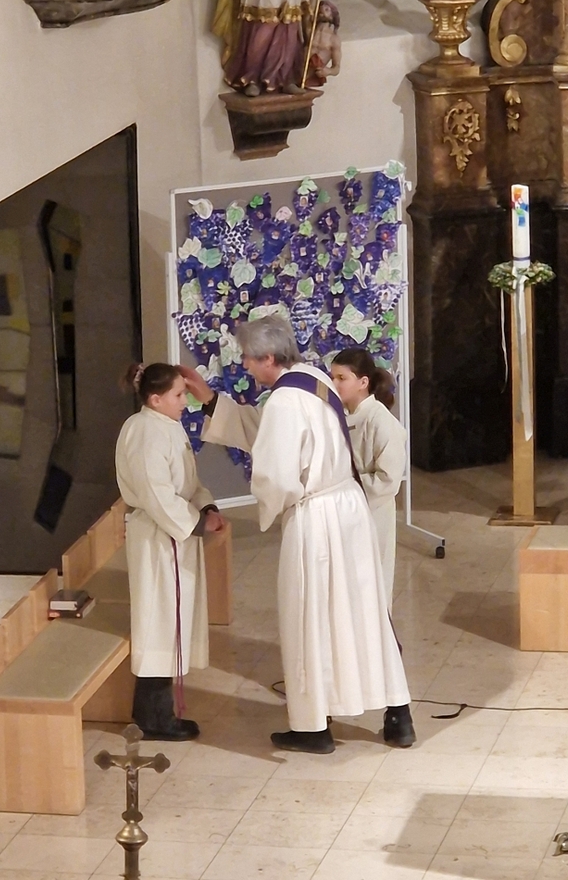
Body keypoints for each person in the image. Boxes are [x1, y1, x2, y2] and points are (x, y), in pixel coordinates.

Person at [180, 318, 415, 755]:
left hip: (317, 518)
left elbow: (277, 475)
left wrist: (270, 505)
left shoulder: (285, 400)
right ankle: (398, 716)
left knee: (308, 618)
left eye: (248, 358)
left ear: (268, 358)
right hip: (349, 508)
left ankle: (312, 727)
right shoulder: (314, 379)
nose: (245, 366)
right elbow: (265, 429)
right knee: (365, 612)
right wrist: (210, 400)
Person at [115, 363, 225, 741]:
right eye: (179, 395)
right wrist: (197, 523)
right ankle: (153, 717)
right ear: (155, 398)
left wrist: (207, 506)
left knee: (170, 622)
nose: (184, 401)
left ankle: (159, 712)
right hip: (159, 539)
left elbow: (188, 481)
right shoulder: (144, 432)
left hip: (174, 535)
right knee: (159, 623)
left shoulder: (167, 425)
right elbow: (157, 494)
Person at [330, 349, 406, 612]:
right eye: (332, 377)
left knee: (370, 584)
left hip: (372, 514)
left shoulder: (380, 420)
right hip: (342, 510)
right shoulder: (338, 415)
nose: (334, 383)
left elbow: (388, 479)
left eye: (342, 378)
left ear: (363, 382)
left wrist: (344, 486)